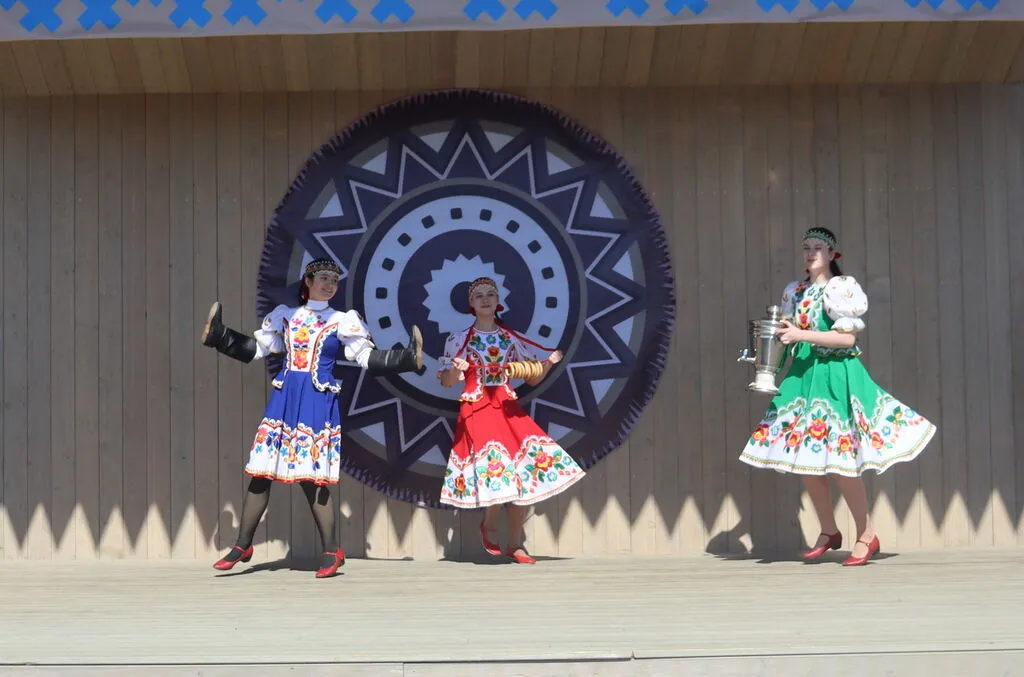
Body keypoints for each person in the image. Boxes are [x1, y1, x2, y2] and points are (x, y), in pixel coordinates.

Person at [200, 258, 425, 578]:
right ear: (307, 281)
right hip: (285, 400)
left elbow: (365, 357)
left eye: (334, 279)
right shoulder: (286, 316)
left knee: (311, 477)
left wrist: (406, 358)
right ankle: (242, 545)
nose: (330, 284)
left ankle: (331, 550)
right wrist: (220, 337)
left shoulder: (342, 321)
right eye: (323, 278)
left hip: (317, 401)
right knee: (262, 471)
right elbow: (257, 349)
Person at [738, 227, 936, 566]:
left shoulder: (841, 288)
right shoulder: (794, 291)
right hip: (803, 376)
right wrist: (766, 366)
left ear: (832, 254)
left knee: (843, 461)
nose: (811, 252)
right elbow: (785, 337)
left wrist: (800, 334)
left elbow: (846, 340)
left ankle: (867, 533)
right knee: (805, 457)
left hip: (835, 375)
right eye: (806, 247)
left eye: (818, 247)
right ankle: (829, 530)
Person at [436, 277, 586, 564]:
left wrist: (547, 364)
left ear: (498, 301)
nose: (485, 299)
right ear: (470, 304)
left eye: (490, 294)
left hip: (506, 406)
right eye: (479, 295)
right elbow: (447, 381)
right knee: (497, 465)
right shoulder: (458, 339)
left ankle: (515, 545)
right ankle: (490, 522)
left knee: (525, 467)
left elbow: (533, 378)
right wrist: (456, 370)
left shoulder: (511, 338)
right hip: (477, 407)